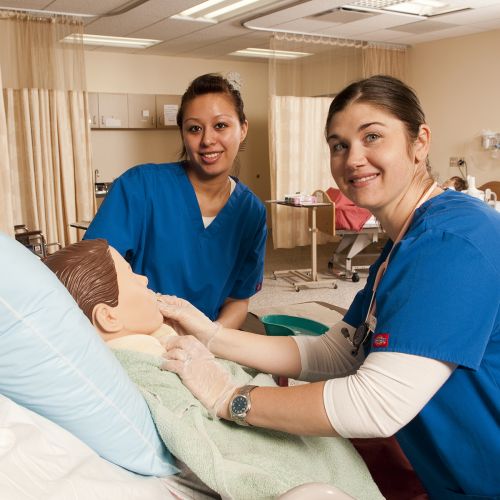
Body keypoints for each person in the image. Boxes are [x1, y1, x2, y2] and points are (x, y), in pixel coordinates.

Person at [159, 75, 500, 499]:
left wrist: (230, 397)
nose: (354, 158)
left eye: (372, 136)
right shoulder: (400, 251)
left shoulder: (455, 241)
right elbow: (338, 352)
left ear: (420, 141)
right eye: (339, 145)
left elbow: (376, 404)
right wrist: (211, 335)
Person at [43, 239, 382, 500]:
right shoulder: (141, 370)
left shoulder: (162, 343)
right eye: (132, 277)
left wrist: (208, 335)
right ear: (109, 317)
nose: (145, 277)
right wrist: (227, 394)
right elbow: (208, 446)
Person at [84, 73, 267, 329]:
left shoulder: (251, 212)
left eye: (221, 126)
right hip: (139, 334)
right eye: (194, 128)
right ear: (182, 133)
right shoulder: (140, 187)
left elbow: (238, 299)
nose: (207, 140)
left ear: (243, 129)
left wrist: (210, 340)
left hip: (209, 338)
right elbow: (92, 274)